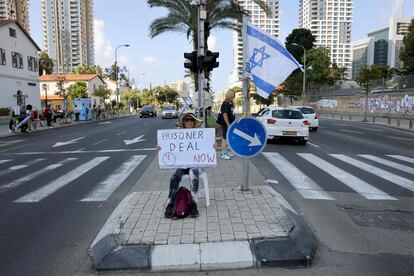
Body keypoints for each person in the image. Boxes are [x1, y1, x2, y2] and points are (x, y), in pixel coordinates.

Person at [158, 112, 203, 219]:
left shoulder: (200, 134)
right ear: (183, 122)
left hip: (194, 163)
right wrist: (160, 148)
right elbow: (168, 146)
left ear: (194, 122)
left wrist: (212, 146)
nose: (189, 122)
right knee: (175, 175)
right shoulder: (177, 134)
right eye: (187, 120)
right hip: (180, 164)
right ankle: (170, 203)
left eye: (191, 120)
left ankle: (193, 203)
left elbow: (205, 148)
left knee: (194, 173)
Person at [217, 91, 235, 160]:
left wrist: (232, 101)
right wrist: (228, 125)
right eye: (232, 97)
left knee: (226, 138)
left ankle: (226, 152)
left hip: (228, 124)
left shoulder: (229, 103)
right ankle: (223, 154)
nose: (233, 98)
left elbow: (233, 107)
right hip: (225, 124)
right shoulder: (225, 104)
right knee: (224, 138)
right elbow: (225, 115)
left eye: (233, 97)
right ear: (228, 97)